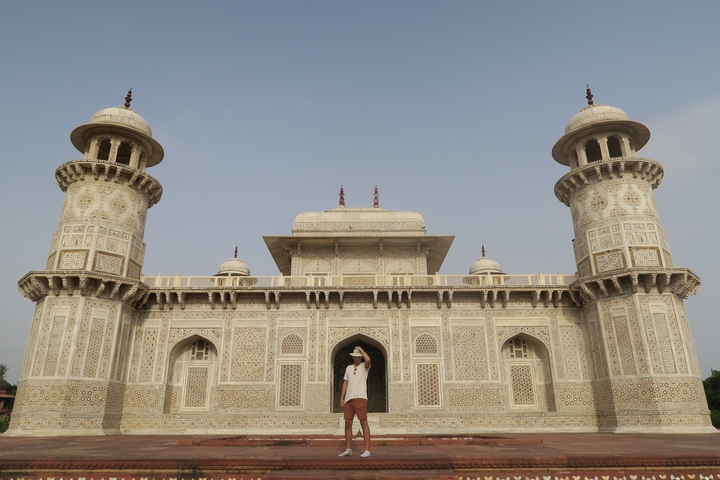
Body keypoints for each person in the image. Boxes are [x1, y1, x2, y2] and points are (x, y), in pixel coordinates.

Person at [338, 346, 371, 457]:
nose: (356, 358)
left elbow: (368, 360)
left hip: (360, 397)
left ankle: (367, 450)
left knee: (363, 422)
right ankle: (348, 449)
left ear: (360, 357)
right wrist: (342, 397)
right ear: (352, 357)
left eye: (358, 356)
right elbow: (345, 382)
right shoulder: (348, 368)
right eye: (355, 356)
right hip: (349, 399)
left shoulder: (364, 367)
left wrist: (361, 349)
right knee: (348, 423)